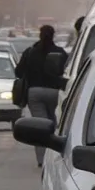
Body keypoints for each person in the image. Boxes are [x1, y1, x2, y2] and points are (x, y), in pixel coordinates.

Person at [14, 25, 68, 167]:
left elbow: (18, 72)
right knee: (54, 123)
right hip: (55, 92)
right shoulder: (60, 53)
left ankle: (42, 160)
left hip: (35, 92)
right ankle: (55, 156)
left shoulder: (30, 52)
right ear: (53, 35)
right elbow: (67, 72)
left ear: (40, 35)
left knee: (39, 127)